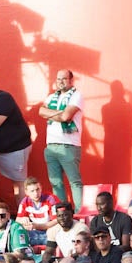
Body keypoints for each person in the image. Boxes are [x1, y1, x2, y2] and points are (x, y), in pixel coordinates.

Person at [39, 68, 84, 205]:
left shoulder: (76, 95)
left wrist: (50, 113)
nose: (60, 82)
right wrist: (60, 113)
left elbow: (66, 116)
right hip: (51, 146)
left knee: (74, 182)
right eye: (58, 79)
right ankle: (62, 212)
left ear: (71, 80)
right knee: (56, 182)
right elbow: (41, 111)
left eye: (64, 79)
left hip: (68, 145)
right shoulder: (52, 96)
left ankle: (79, 213)